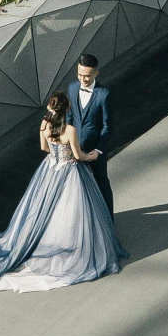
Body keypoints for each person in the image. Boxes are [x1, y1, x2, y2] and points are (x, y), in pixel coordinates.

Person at [0, 90, 124, 292]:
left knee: (44, 209)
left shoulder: (45, 126)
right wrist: (91, 156)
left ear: (51, 108)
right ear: (67, 109)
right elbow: (78, 156)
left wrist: (56, 149)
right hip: (69, 172)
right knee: (71, 210)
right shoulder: (70, 130)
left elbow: (45, 148)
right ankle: (71, 245)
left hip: (50, 170)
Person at [70, 49, 113, 215]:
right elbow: (69, 118)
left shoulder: (104, 95)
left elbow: (107, 126)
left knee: (102, 183)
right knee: (75, 187)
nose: (83, 79)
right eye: (80, 75)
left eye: (87, 76)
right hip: (75, 149)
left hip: (95, 150)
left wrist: (98, 150)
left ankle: (108, 221)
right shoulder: (72, 88)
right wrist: (69, 144)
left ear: (96, 73)